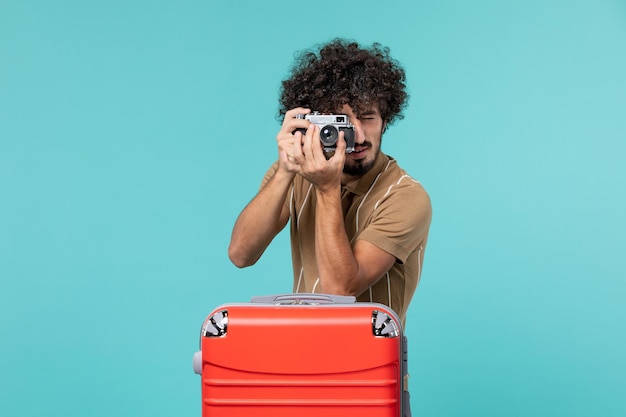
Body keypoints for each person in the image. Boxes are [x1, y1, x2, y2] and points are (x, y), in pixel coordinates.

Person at [228, 38, 432, 324]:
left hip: (370, 365)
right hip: (304, 359)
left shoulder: (406, 197)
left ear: (386, 119)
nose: (358, 136)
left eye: (368, 118)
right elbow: (240, 254)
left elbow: (340, 291)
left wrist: (326, 189)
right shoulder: (299, 172)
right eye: (343, 122)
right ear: (317, 124)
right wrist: (286, 171)